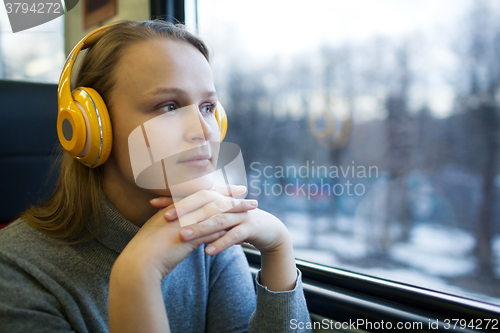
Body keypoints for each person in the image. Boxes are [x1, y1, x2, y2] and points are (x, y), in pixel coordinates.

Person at [0, 20, 312, 332]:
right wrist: (136, 277)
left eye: (207, 107)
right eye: (169, 107)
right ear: (92, 130)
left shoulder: (210, 235)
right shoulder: (15, 270)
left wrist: (279, 249)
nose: (203, 131)